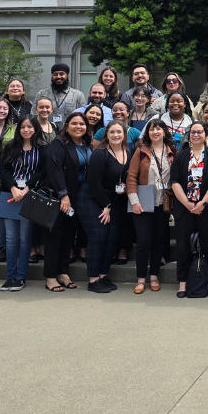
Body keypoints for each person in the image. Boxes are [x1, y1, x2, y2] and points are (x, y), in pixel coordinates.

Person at [40, 111, 91, 292]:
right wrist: (64, 195)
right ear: (67, 126)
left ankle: (62, 272)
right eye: (74, 123)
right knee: (54, 237)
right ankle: (51, 277)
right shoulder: (59, 143)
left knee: (68, 236)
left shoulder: (86, 144)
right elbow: (54, 170)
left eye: (82, 124)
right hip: (59, 198)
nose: (78, 127)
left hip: (78, 198)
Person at [170, 121, 208, 299]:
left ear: (205, 135)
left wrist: (203, 203)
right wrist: (187, 204)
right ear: (189, 135)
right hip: (185, 208)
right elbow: (174, 181)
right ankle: (182, 283)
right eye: (193, 132)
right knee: (183, 246)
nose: (196, 135)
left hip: (207, 209)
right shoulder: (181, 156)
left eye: (200, 132)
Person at [126, 119, 176, 294]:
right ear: (147, 133)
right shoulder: (140, 152)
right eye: (152, 129)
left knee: (159, 241)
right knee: (143, 241)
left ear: (164, 131)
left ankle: (154, 276)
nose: (155, 132)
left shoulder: (172, 152)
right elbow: (131, 177)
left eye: (158, 129)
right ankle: (141, 279)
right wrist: (134, 201)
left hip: (163, 204)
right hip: (142, 202)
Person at [83, 121, 132, 293]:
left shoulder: (128, 152)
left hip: (114, 200)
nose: (116, 135)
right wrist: (106, 205)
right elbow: (93, 183)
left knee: (112, 237)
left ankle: (103, 275)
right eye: (112, 132)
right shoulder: (100, 154)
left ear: (124, 134)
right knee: (99, 236)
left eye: (119, 132)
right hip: (93, 198)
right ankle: (93, 279)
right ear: (107, 134)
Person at [0, 117, 47, 291]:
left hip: (30, 195)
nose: (26, 130)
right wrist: (13, 187)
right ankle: (10, 277)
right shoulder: (11, 146)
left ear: (35, 129)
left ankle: (21, 277)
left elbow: (42, 171)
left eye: (30, 127)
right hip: (10, 195)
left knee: (25, 238)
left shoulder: (42, 148)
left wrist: (26, 189)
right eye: (23, 127)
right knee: (11, 239)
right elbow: (2, 168)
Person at [0, 99, 15, 262]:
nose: (2, 110)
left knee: (2, 212)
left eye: (5, 108)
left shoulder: (13, 129)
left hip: (6, 172)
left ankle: (1, 247)